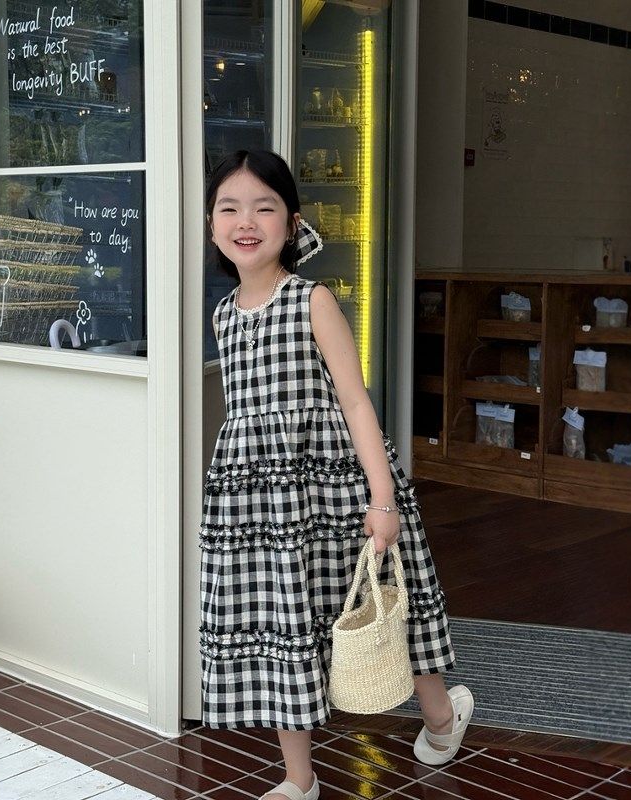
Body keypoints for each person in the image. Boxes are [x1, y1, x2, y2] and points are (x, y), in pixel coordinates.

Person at [199, 149, 474, 800]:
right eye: (229, 208)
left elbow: (354, 401)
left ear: (292, 223)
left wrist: (383, 499)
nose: (245, 222)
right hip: (262, 505)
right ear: (211, 225)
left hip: (335, 488)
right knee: (283, 626)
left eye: (264, 208)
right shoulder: (223, 314)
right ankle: (300, 778)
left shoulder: (311, 300)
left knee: (388, 606)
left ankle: (442, 717)